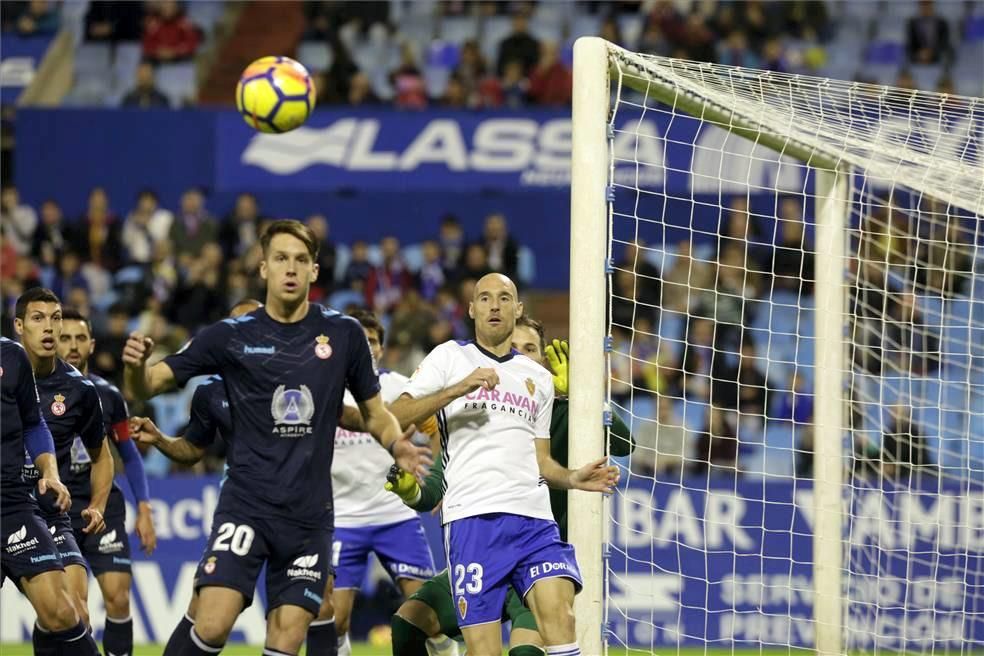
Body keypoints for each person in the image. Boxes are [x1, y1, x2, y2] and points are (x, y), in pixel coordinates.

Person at [122, 219, 431, 656]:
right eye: (281, 258)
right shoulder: (230, 336)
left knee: (287, 634)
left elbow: (375, 413)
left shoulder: (343, 335)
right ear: (263, 268)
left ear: (315, 271)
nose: (291, 268)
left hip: (309, 517)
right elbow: (147, 386)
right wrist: (135, 367)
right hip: (246, 506)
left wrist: (396, 442)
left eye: (301, 260)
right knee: (211, 622)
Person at [387, 273, 620, 655]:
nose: (494, 305)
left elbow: (542, 461)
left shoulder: (539, 379)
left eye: (504, 297)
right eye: (485, 298)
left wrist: (573, 477)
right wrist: (455, 389)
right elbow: (397, 415)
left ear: (518, 308)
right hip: (474, 521)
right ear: (472, 308)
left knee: (562, 618)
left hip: (534, 520)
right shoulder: (449, 357)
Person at [328, 310, 447, 656]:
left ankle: (445, 651)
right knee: (335, 620)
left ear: (381, 348)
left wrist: (437, 479)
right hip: (342, 518)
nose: (367, 346)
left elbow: (438, 431)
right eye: (359, 339)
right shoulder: (326, 388)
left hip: (395, 515)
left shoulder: (399, 388)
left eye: (373, 340)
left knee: (426, 611)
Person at [57, 307, 157, 656]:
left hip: (105, 506)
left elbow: (128, 455)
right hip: (59, 511)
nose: (72, 345)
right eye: (65, 338)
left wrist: (144, 507)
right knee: (74, 608)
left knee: (118, 597)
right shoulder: (35, 395)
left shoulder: (108, 395)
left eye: (80, 338)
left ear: (91, 344)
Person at [14, 288, 114, 629]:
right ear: (18, 325)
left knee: (76, 614)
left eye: (54, 318)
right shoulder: (4, 373)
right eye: (38, 319)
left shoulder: (79, 389)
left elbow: (102, 456)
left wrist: (98, 504)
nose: (48, 328)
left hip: (48, 512)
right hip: (5, 506)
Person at [1, 336, 101, 655]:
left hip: (12, 502)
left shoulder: (11, 356)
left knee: (63, 612)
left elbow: (34, 424)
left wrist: (51, 472)